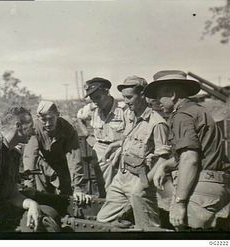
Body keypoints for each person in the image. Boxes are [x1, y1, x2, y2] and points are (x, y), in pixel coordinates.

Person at [144, 70, 230, 230]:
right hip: (214, 185)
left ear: (172, 94)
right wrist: (165, 165)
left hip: (197, 189)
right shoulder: (199, 111)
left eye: (159, 96)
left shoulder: (182, 116)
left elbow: (190, 159)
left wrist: (179, 202)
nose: (157, 102)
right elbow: (198, 152)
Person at [96, 76, 171, 230]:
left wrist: (143, 186)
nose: (126, 101)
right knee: (102, 220)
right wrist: (116, 146)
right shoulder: (130, 116)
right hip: (121, 178)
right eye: (123, 97)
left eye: (129, 97)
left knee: (148, 227)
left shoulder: (157, 124)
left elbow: (163, 159)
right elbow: (128, 139)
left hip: (140, 180)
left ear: (143, 94)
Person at [23, 101, 91, 208]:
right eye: (44, 120)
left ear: (58, 115)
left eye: (51, 119)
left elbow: (74, 158)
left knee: (68, 197)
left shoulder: (68, 129)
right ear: (37, 117)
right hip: (42, 165)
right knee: (43, 197)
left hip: (63, 165)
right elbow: (30, 157)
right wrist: (28, 187)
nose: (48, 123)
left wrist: (78, 187)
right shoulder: (34, 128)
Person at [77, 77, 128, 196]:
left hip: (120, 148)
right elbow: (79, 117)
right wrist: (87, 135)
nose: (95, 101)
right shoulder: (92, 108)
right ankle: (105, 202)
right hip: (101, 148)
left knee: (122, 182)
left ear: (106, 92)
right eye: (92, 99)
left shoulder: (123, 109)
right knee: (103, 183)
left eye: (98, 97)